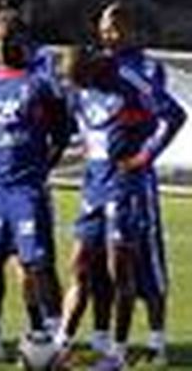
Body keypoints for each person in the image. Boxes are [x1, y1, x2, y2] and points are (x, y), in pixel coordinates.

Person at [56, 19, 186, 371]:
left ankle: (117, 353)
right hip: (93, 186)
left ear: (92, 70)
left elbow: (173, 114)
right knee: (79, 265)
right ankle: (59, 346)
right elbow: (82, 125)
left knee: (122, 270)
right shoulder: (79, 86)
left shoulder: (128, 77)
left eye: (81, 82)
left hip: (127, 187)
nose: (79, 89)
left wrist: (145, 155)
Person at [0, 15, 72, 362]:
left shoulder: (40, 85)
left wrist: (41, 169)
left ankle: (57, 336)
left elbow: (63, 132)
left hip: (26, 191)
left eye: (11, 39)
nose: (4, 45)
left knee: (37, 261)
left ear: (23, 41)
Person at [97, 2, 186, 365]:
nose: (107, 34)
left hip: (135, 182)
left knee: (147, 261)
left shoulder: (144, 68)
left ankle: (157, 342)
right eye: (103, 27)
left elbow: (168, 115)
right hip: (100, 183)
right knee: (102, 265)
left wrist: (144, 156)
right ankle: (108, 342)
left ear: (130, 29)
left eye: (115, 27)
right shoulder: (99, 67)